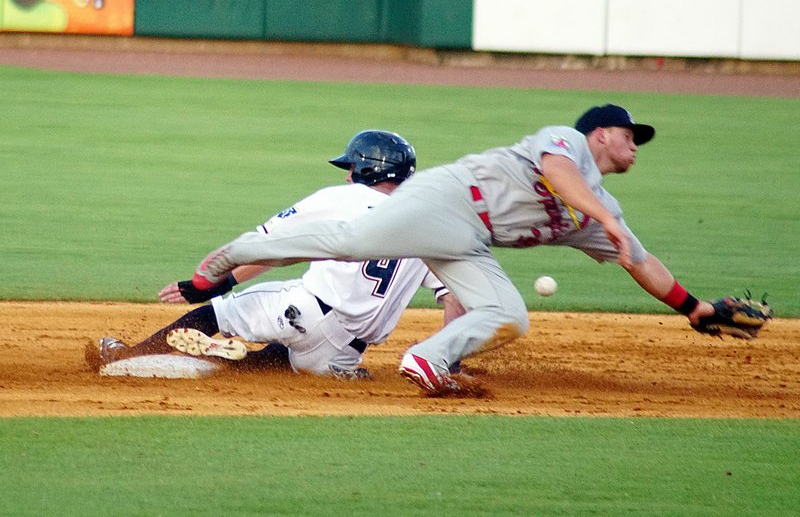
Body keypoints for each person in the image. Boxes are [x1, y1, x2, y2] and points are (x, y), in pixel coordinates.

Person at [189, 104, 720, 395]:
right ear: (600, 135)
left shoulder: (598, 210)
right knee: (350, 242)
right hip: (444, 200)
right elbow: (558, 174)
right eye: (631, 135)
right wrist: (604, 215)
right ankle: (238, 252)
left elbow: (641, 261)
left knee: (510, 315)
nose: (635, 146)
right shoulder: (565, 141)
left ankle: (430, 357)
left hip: (470, 242)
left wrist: (694, 308)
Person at [86, 130, 465, 379]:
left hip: (304, 311)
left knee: (217, 312)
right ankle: (224, 361)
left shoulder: (340, 197)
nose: (347, 176)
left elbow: (268, 246)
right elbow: (456, 300)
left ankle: (125, 357)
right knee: (273, 364)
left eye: (351, 168)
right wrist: (447, 356)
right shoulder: (430, 225)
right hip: (341, 356)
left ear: (368, 169)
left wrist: (211, 285)